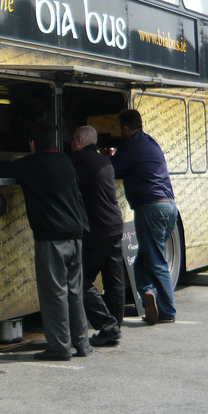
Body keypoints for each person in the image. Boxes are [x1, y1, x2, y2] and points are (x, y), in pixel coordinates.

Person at [0, 123, 93, 361]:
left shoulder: (31, 164)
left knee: (54, 292)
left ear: (32, 144)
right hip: (75, 235)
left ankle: (60, 347)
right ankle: (82, 343)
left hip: (51, 238)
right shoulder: (67, 162)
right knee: (74, 291)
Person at [111, 109, 178, 325]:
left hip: (150, 208)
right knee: (144, 258)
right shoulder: (150, 142)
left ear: (125, 128)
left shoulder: (130, 145)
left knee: (156, 260)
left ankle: (168, 311)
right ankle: (148, 293)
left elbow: (110, 169)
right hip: (169, 208)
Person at [70, 125, 126, 346]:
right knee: (114, 281)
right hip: (115, 224)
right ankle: (114, 328)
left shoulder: (80, 159)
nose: (71, 144)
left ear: (80, 141)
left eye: (73, 139)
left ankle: (108, 326)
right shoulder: (104, 160)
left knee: (81, 281)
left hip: (98, 229)